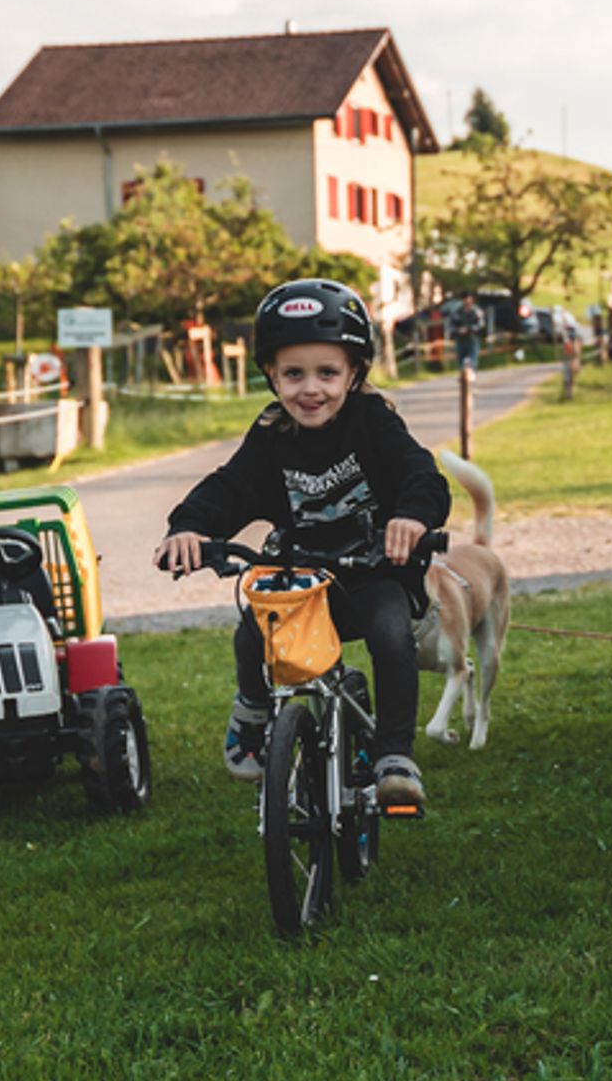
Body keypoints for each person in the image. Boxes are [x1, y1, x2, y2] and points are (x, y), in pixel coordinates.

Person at [156, 278, 449, 817]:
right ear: (271, 374)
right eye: (293, 374)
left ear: (354, 373)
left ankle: (394, 758)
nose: (309, 389)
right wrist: (188, 528)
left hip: (372, 569)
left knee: (390, 635)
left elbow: (419, 473)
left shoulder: (372, 422)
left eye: (327, 373)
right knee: (252, 633)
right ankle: (251, 712)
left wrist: (411, 517)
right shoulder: (271, 434)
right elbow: (229, 486)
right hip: (299, 573)